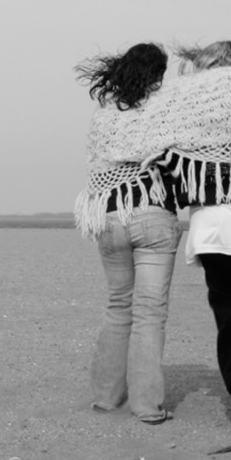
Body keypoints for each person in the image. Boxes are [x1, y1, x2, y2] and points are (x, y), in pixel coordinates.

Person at [93, 39, 231, 432]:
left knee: (229, 309)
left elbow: (157, 143)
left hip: (196, 221)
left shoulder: (182, 100)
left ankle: (112, 398)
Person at [73, 42, 182, 425]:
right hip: (152, 214)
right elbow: (178, 159)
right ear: (158, 74)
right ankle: (147, 406)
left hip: (109, 216)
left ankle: (105, 398)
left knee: (119, 305)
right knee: (149, 313)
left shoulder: (105, 114)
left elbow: (100, 167)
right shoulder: (165, 108)